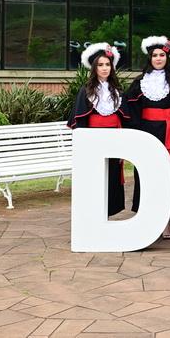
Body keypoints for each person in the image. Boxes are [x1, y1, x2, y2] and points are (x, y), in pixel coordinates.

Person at [125, 36, 170, 239]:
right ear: (149, 58)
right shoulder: (139, 82)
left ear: (167, 58)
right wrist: (136, 133)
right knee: (147, 175)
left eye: (162, 55)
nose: (158, 58)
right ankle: (148, 219)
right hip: (146, 133)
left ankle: (166, 221)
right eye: (155, 55)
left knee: (169, 177)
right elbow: (130, 109)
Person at [67, 42, 130, 217]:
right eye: (100, 65)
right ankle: (94, 214)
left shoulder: (117, 91)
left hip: (114, 139)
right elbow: (80, 120)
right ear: (94, 68)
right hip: (94, 140)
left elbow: (125, 117)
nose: (104, 68)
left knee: (112, 174)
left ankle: (109, 212)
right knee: (95, 176)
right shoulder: (86, 91)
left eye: (107, 64)